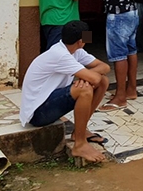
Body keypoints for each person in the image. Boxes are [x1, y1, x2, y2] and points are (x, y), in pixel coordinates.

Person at [20, 20, 110, 163]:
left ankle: (79, 132)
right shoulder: (59, 54)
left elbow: (105, 67)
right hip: (38, 113)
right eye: (87, 37)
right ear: (81, 41)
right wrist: (86, 77)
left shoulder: (76, 51)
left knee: (103, 81)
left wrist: (83, 76)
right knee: (85, 89)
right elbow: (94, 78)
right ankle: (79, 145)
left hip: (49, 101)